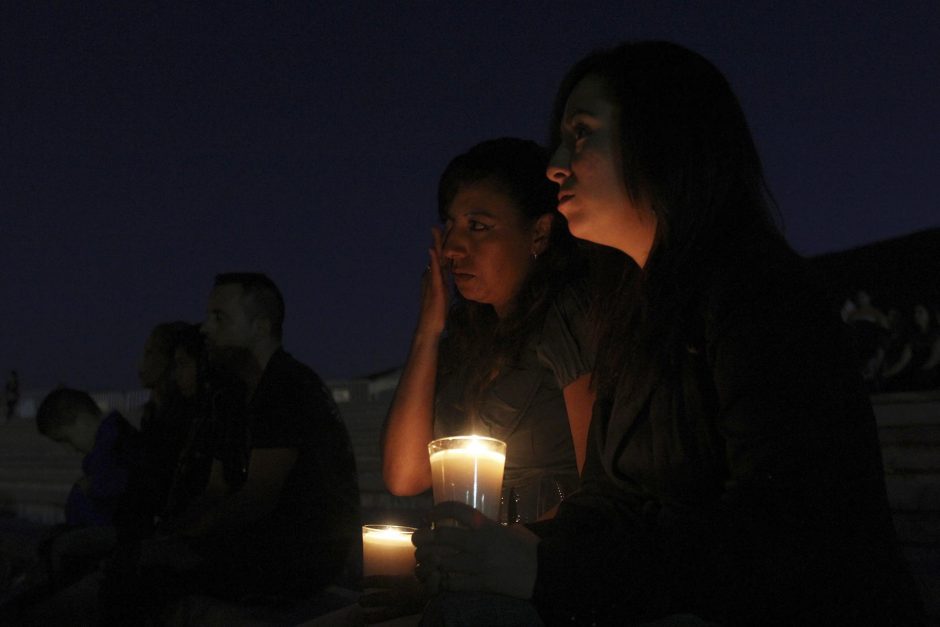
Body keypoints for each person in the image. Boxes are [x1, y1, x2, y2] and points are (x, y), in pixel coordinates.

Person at [414, 41, 923, 625]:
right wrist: (507, 545)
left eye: (581, 133)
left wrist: (540, 570)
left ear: (661, 138)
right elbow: (613, 500)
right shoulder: (639, 313)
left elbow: (790, 531)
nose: (555, 163)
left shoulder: (758, 294)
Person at [108, 273, 361, 623]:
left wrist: (184, 539)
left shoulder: (285, 386)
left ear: (260, 327)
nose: (205, 329)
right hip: (271, 547)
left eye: (219, 318)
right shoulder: (244, 392)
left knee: (147, 585)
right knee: (135, 569)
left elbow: (258, 495)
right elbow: (219, 489)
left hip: (299, 558)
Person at [382, 137, 595, 526]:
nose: (451, 248)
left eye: (477, 226)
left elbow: (600, 483)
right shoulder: (470, 345)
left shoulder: (569, 319)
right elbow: (405, 475)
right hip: (480, 568)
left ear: (539, 233)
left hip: (546, 568)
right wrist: (427, 333)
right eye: (450, 225)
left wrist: (507, 552)